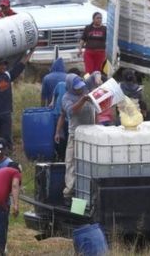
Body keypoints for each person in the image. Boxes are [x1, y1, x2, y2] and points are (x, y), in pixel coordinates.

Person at [0, 49, 35, 156]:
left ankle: (7, 159)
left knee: (6, 138)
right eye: (1, 65)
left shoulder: (8, 76)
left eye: (4, 65)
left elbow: (21, 65)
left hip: (5, 114)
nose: (3, 67)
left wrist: (31, 52)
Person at [55, 74, 95, 202]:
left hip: (91, 134)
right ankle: (69, 191)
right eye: (77, 88)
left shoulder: (86, 91)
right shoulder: (66, 98)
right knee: (71, 162)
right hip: (75, 134)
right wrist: (57, 132)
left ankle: (89, 190)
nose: (80, 90)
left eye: (81, 87)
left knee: (89, 162)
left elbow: (95, 77)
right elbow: (69, 112)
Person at [50, 68, 82, 161]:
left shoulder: (81, 92)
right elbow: (63, 114)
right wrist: (57, 132)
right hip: (69, 122)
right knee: (65, 141)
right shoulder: (65, 93)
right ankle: (62, 158)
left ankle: (65, 158)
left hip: (75, 123)